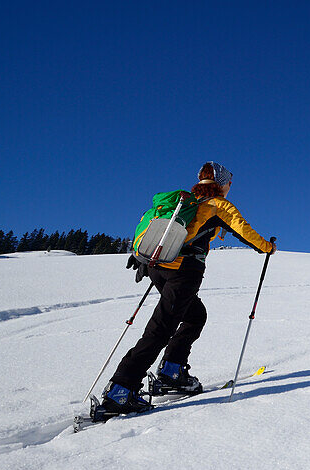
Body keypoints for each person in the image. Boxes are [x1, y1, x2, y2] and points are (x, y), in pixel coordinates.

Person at [101, 162, 276, 414]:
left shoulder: (184, 203)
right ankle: (121, 390)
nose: (230, 187)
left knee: (195, 316)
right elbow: (244, 231)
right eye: (229, 182)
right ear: (222, 183)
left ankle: (173, 372)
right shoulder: (218, 205)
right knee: (160, 329)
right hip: (183, 271)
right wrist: (267, 247)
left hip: (157, 266)